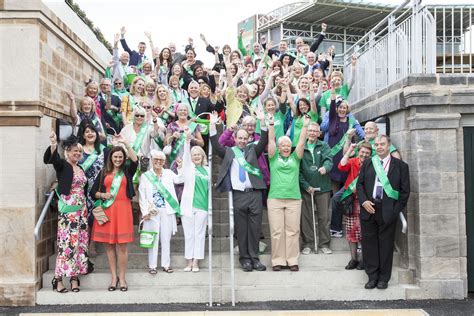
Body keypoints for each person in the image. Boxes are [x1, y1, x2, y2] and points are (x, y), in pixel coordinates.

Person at [209, 111, 268, 272]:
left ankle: (255, 259)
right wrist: (213, 125)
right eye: (239, 138)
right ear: (235, 139)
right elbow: (215, 145)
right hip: (239, 195)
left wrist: (262, 122)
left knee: (255, 228)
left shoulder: (253, 151)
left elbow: (263, 141)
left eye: (244, 138)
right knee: (241, 229)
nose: (242, 140)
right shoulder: (229, 152)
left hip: (255, 193)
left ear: (249, 138)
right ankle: (245, 259)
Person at [357, 135, 410, 290]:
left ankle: (383, 278)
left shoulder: (401, 166)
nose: (379, 146)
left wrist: (395, 211)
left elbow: (405, 192)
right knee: (369, 244)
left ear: (389, 146)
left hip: (388, 211)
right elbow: (360, 185)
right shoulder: (368, 163)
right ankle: (372, 276)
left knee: (386, 246)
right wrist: (364, 201)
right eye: (377, 144)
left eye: (382, 144)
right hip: (369, 208)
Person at [91, 141, 138, 292]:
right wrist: (103, 194)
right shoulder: (104, 172)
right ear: (110, 158)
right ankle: (113, 277)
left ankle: (122, 278)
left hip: (123, 210)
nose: (117, 159)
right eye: (115, 156)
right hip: (108, 211)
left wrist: (126, 144)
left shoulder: (127, 171)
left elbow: (135, 160)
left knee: (122, 247)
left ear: (123, 158)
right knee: (110, 246)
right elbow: (93, 192)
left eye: (120, 157)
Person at [44, 133, 88, 293]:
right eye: (74, 151)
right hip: (68, 213)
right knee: (66, 245)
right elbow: (52, 160)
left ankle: (74, 278)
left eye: (79, 152)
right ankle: (58, 279)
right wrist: (54, 144)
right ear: (68, 152)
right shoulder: (63, 165)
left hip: (81, 212)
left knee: (79, 245)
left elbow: (85, 188)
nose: (77, 154)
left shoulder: (80, 168)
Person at [267, 113, 309, 271]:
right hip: (275, 199)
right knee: (277, 231)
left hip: (293, 199)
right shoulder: (273, 158)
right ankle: (277, 260)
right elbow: (270, 141)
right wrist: (271, 125)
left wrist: (304, 126)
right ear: (279, 147)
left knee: (292, 231)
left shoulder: (295, 158)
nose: (285, 147)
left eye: (287, 145)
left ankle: (292, 260)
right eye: (282, 145)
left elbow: (301, 143)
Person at [138, 150, 183, 274]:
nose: (158, 162)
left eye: (161, 160)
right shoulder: (146, 176)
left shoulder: (169, 173)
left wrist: (180, 168)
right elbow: (142, 196)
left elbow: (180, 180)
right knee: (153, 238)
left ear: (164, 162)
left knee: (166, 238)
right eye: (156, 159)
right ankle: (152, 266)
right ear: (152, 160)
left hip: (167, 211)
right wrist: (144, 211)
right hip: (152, 212)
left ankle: (166, 264)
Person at [299, 122, 333, 255]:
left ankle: (324, 244)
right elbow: (298, 170)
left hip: (323, 187)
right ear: (306, 132)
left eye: (315, 131)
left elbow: (329, 160)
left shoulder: (323, 145)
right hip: (306, 189)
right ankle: (307, 243)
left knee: (324, 217)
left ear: (319, 133)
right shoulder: (301, 146)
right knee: (306, 217)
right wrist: (306, 186)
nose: (312, 133)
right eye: (310, 130)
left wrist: (325, 167)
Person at [338, 141, 372, 270]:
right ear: (359, 152)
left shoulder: (373, 164)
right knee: (351, 230)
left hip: (366, 201)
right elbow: (341, 166)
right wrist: (348, 152)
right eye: (362, 152)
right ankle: (353, 259)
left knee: (364, 231)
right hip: (351, 201)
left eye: (367, 153)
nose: (364, 155)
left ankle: (364, 259)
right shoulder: (353, 161)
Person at [179, 132, 210, 272]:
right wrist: (187, 142)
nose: (196, 156)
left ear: (202, 156)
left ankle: (196, 261)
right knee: (189, 235)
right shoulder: (188, 168)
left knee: (199, 234)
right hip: (188, 206)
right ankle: (189, 261)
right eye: (194, 154)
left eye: (198, 154)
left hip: (202, 206)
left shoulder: (208, 171)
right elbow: (185, 157)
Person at [77, 123, 108, 257]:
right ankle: (83, 243)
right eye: (87, 131)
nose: (90, 134)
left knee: (96, 216)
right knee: (84, 217)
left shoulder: (103, 150)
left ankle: (93, 244)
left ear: (97, 134)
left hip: (98, 187)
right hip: (82, 188)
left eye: (93, 131)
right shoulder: (78, 149)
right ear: (83, 135)